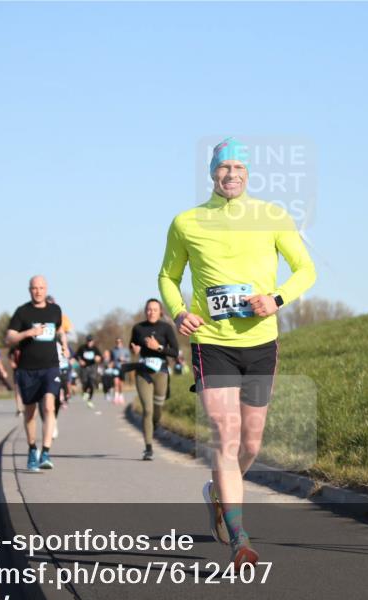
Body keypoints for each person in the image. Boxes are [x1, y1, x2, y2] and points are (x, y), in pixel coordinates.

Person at [158, 137, 316, 565]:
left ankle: (217, 496)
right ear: (212, 175)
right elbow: (168, 277)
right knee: (225, 438)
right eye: (223, 169)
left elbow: (306, 269)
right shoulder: (187, 222)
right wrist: (177, 313)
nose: (231, 176)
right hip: (212, 343)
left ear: (248, 175)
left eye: (239, 170)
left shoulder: (272, 216)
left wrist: (276, 299)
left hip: (261, 342)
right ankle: (239, 537)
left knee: (250, 442)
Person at [6, 275, 68, 472]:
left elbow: (60, 330)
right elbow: (9, 337)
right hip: (28, 368)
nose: (38, 291)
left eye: (41, 288)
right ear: (29, 289)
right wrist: (28, 333)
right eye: (34, 288)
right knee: (30, 412)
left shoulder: (55, 310)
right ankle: (32, 449)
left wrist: (65, 346)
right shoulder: (22, 312)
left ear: (46, 288)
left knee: (49, 407)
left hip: (51, 366)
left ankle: (46, 452)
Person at [130, 298, 178, 461]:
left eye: (155, 309)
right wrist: (134, 349)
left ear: (160, 312)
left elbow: (175, 352)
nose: (151, 312)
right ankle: (148, 448)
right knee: (147, 410)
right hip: (143, 372)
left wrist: (158, 347)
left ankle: (155, 424)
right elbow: (133, 346)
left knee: (158, 407)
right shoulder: (138, 328)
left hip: (161, 372)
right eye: (149, 309)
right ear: (145, 311)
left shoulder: (166, 328)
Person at [74, 335, 102, 408]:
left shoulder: (95, 349)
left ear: (93, 342)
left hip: (92, 367)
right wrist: (80, 361)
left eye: (91, 341)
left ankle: (89, 400)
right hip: (84, 368)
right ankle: (84, 392)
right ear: (86, 341)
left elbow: (100, 357)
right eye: (88, 341)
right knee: (85, 382)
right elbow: (76, 355)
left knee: (92, 382)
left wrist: (98, 358)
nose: (89, 343)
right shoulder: (82, 348)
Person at [111, 336, 130, 404]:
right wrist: (111, 364)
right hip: (115, 368)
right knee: (116, 382)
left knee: (121, 384)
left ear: (122, 342)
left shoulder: (126, 350)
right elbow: (111, 360)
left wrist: (123, 359)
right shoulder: (113, 350)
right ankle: (116, 397)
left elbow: (129, 359)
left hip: (122, 368)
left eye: (119, 342)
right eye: (117, 342)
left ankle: (121, 396)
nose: (118, 343)